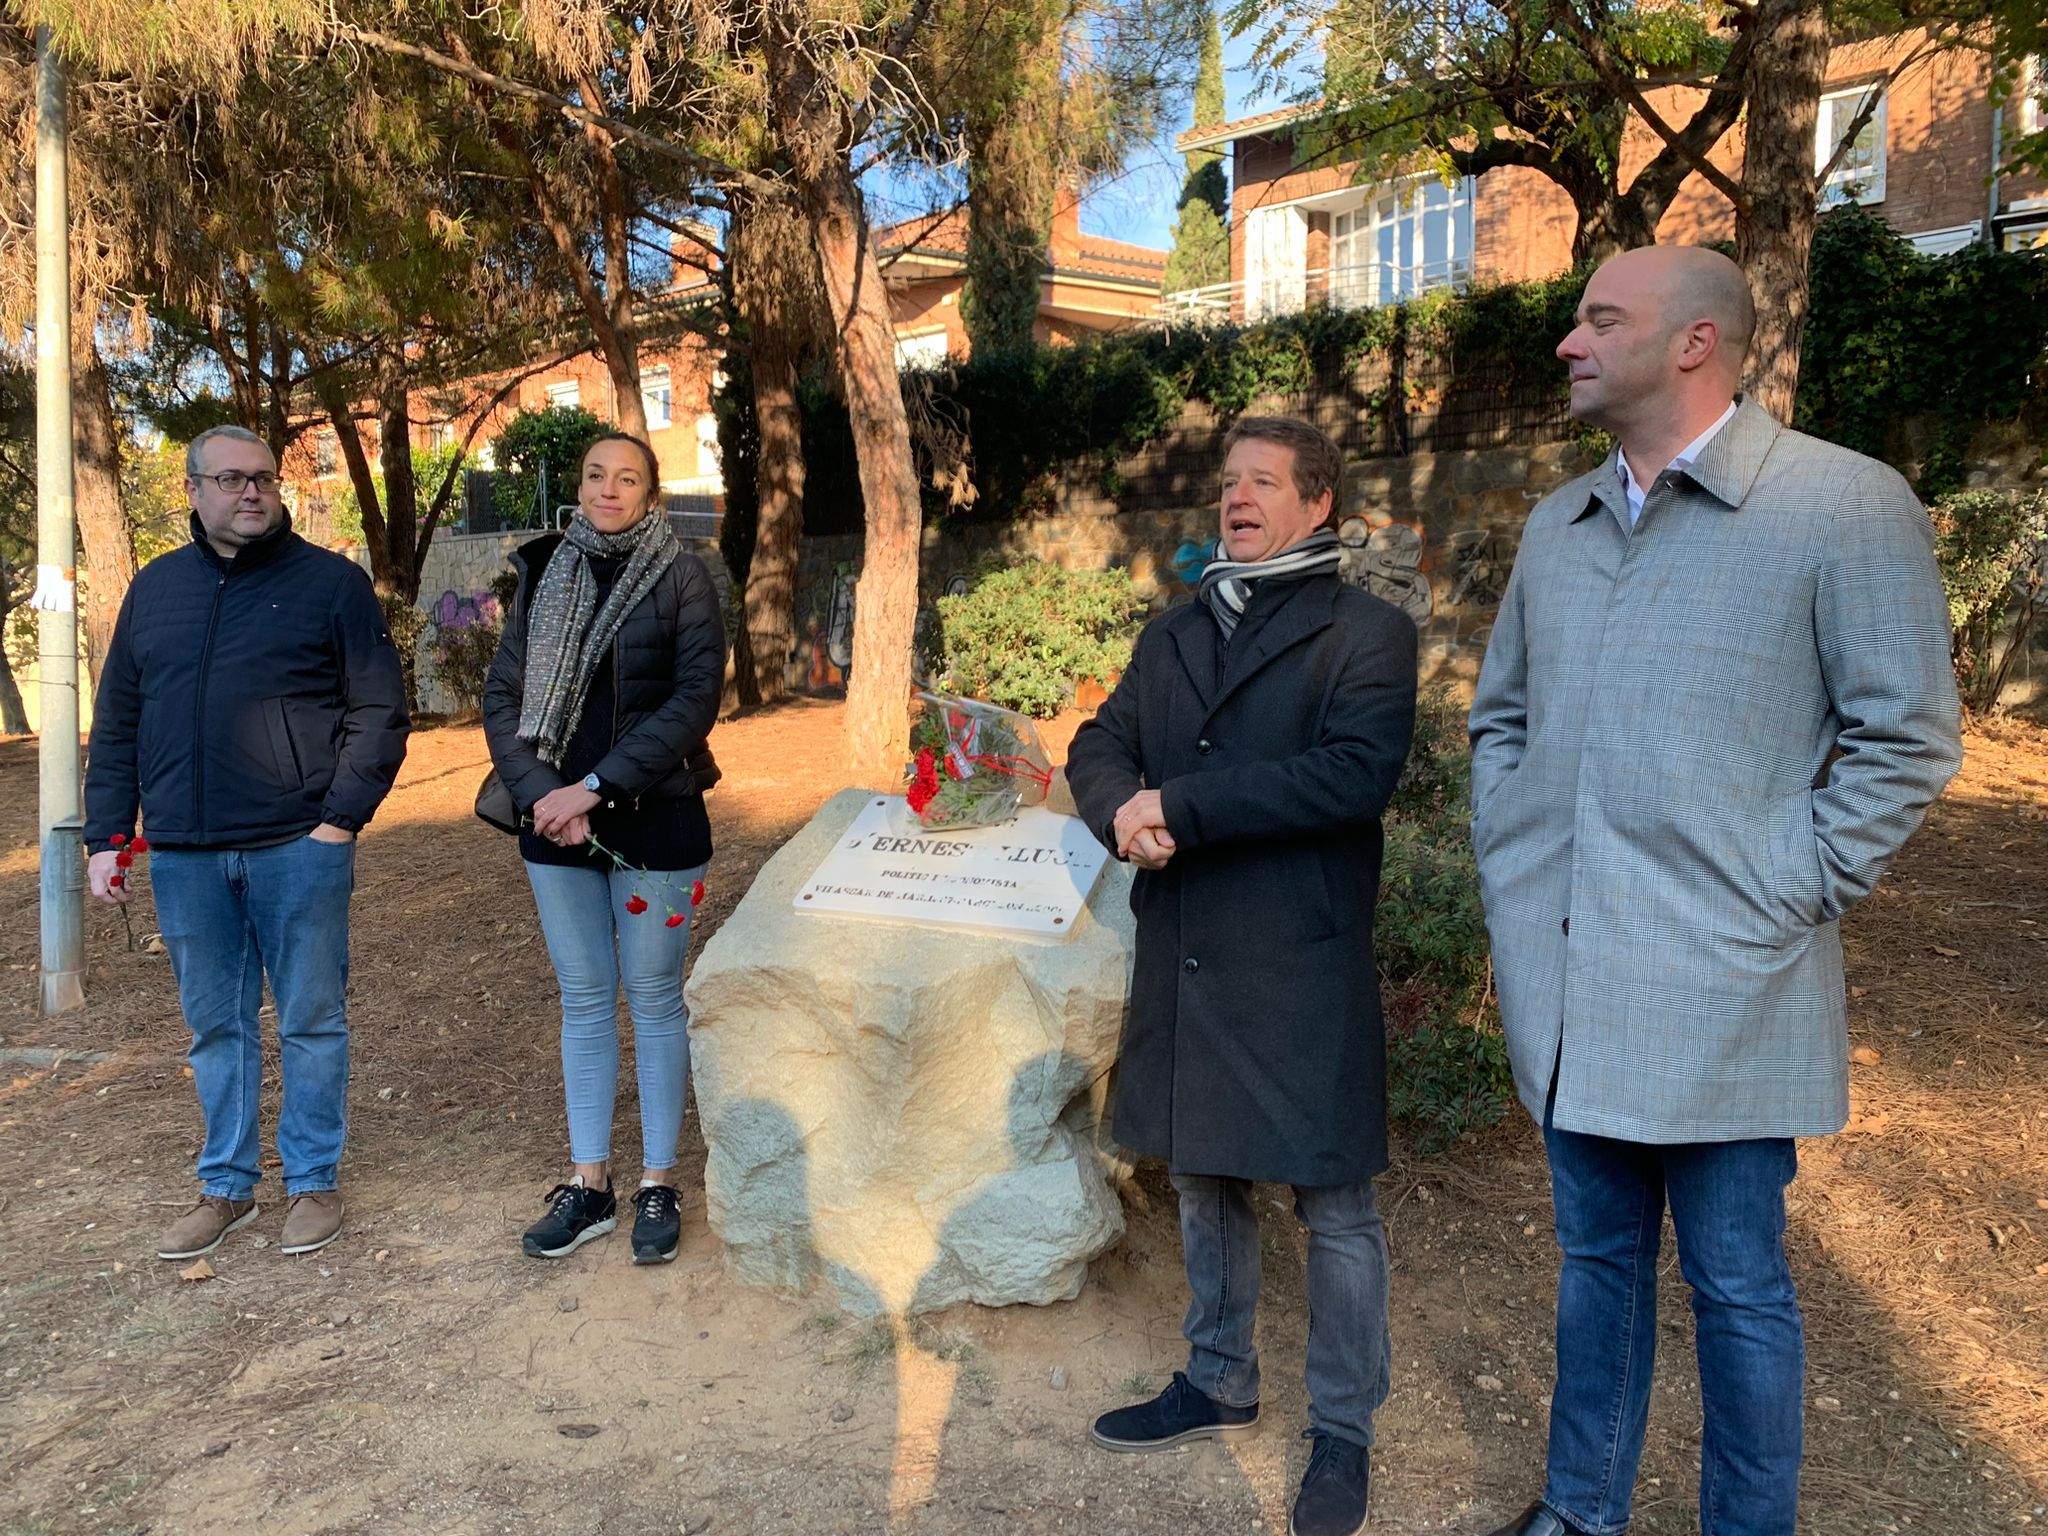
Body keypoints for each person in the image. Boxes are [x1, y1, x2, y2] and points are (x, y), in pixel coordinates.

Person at [1467, 246, 1963, 1536]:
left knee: (1738, 1283)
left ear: (1693, 342)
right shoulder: (1554, 525)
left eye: (1597, 319)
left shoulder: (1841, 505)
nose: (1568, 342)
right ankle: (1580, 1512)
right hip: (1570, 971)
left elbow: (1903, 734)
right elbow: (1499, 717)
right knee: (1594, 1269)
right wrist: (1511, 846)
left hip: (1729, 984)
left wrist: (1784, 888)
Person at [1067, 415, 1418, 1536]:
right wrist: (1122, 815)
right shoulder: (1175, 632)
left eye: (1263, 481)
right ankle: (1217, 1378)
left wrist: (1181, 805)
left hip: (1294, 953)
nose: (1237, 498)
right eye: (1228, 482)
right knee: (1206, 1174)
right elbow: (1097, 743)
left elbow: (1351, 775)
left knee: (1334, 1203)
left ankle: (1342, 1431)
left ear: (1318, 504)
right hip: (1189, 941)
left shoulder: (1366, 632)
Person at [85, 424, 410, 1262]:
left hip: (295, 848)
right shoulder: (156, 591)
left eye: (262, 477)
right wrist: (108, 837)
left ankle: (311, 1181)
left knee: (310, 1018)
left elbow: (377, 711)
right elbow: (118, 720)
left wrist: (338, 821)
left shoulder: (331, 585)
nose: (252, 492)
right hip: (187, 856)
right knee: (215, 1027)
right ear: (192, 490)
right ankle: (226, 1188)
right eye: (231, 479)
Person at [483, 433, 724, 1266]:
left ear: (651, 494)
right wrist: (542, 796)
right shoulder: (544, 569)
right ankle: (589, 1183)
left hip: (652, 817)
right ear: (578, 485)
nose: (608, 489)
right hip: (551, 823)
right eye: (595, 475)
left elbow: (695, 699)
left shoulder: (684, 574)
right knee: (584, 999)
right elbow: (502, 695)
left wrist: (594, 789)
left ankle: (658, 1179)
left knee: (654, 997)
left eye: (627, 478)